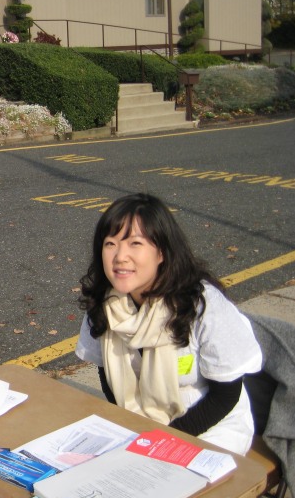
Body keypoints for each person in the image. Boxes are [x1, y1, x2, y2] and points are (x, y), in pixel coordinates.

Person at [76, 193, 262, 455]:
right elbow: (105, 372)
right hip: (141, 424)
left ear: (161, 252)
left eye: (135, 243)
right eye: (110, 243)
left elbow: (226, 396)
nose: (120, 256)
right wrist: (133, 425)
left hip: (209, 428)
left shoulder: (201, 305)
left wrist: (166, 439)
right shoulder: (104, 305)